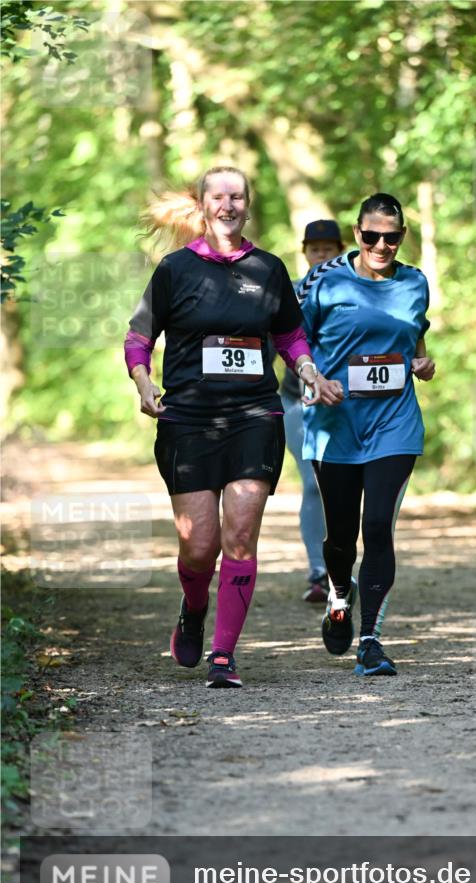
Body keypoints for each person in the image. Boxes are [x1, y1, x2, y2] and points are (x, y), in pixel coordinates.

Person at [124, 166, 342, 689]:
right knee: (200, 547)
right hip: (189, 420)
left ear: (247, 206)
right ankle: (193, 607)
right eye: (219, 197)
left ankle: (223, 655)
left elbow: (290, 335)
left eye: (237, 196)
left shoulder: (268, 269)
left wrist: (308, 369)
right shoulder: (175, 269)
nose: (228, 205)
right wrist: (143, 382)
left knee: (240, 536)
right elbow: (139, 337)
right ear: (203, 205)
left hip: (254, 417)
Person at [298, 192, 435, 677]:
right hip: (334, 425)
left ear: (402, 237)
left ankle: (372, 641)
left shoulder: (415, 282)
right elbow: (293, 340)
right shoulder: (323, 279)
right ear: (357, 233)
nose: (381, 245)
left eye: (391, 238)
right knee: (341, 536)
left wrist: (422, 360)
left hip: (394, 424)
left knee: (377, 526)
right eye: (372, 236)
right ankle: (339, 593)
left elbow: (416, 334)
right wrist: (314, 379)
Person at [280, 219, 344, 602]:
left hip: (346, 404)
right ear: (304, 252)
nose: (321, 255)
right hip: (296, 403)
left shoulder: (355, 291)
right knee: (313, 483)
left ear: (340, 251)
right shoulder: (288, 293)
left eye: (328, 249)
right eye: (314, 249)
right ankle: (318, 571)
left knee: (343, 485)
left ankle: (344, 562)